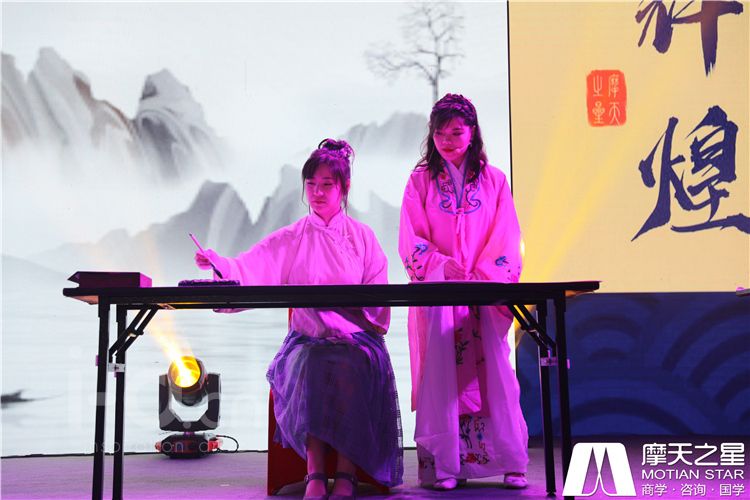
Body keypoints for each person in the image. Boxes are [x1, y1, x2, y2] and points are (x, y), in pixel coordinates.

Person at [195, 139, 403, 499]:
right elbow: (252, 266)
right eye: (311, 184)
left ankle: (347, 473)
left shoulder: (363, 238)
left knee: (351, 364)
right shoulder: (293, 237)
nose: (318, 192)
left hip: (356, 340)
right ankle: (315, 473)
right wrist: (219, 263)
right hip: (308, 338)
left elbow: (377, 297)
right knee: (311, 363)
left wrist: (353, 317)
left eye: (327, 185)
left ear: (344, 188)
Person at [398, 94, 529, 490]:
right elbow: (411, 238)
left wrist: (482, 277)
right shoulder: (420, 181)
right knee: (443, 378)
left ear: (472, 133)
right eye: (440, 133)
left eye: (456, 132)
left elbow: (506, 238)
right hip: (441, 297)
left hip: (483, 295)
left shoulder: (495, 181)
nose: (448, 141)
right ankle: (445, 465)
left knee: (496, 377)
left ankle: (510, 460)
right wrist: (440, 266)